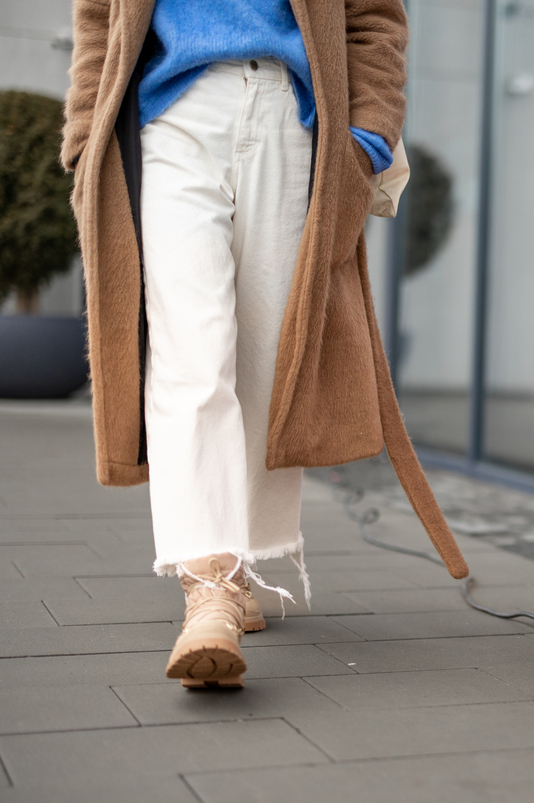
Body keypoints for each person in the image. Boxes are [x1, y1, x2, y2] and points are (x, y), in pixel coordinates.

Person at [61, 0, 468, 689]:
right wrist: (81, 142)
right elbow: (99, 18)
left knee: (271, 362)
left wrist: (367, 137)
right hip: (169, 116)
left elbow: (373, 19)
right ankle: (208, 583)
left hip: (291, 114)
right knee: (190, 353)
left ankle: (241, 560)